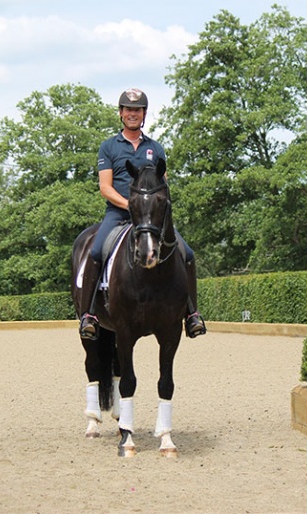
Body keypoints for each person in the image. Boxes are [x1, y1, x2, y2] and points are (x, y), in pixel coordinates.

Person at [78, 87, 206, 341]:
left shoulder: (155, 148)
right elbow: (105, 187)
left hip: (152, 218)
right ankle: (88, 314)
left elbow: (163, 185)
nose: (132, 114)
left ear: (144, 114)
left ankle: (192, 314)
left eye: (137, 110)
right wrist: (130, 205)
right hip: (119, 214)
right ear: (121, 113)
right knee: (96, 251)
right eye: (128, 110)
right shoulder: (109, 147)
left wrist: (152, 209)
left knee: (187, 253)